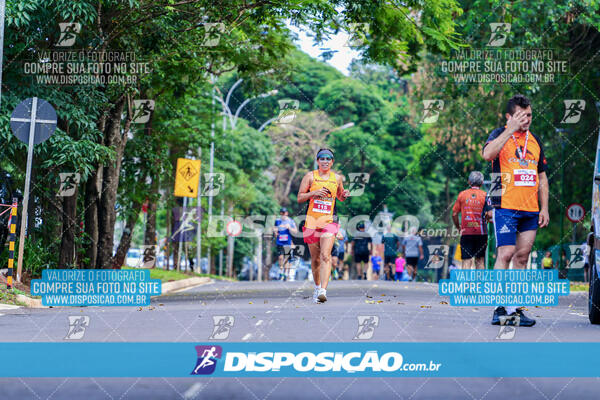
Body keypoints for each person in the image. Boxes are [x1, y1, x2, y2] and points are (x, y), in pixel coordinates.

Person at [482, 94, 549, 327]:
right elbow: (487, 155)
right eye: (522, 116)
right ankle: (499, 308)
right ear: (509, 116)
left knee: (522, 257)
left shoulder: (535, 140)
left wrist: (545, 208)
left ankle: (516, 309)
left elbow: (542, 176)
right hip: (506, 206)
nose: (527, 119)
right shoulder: (497, 135)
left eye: (529, 115)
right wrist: (509, 130)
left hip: (530, 210)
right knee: (506, 254)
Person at [297, 148, 349, 303]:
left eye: (328, 159)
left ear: (332, 161)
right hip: (312, 221)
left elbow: (339, 197)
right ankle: (317, 286)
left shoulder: (337, 178)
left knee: (326, 255)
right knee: (315, 259)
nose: (325, 161)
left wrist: (344, 195)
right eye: (322, 158)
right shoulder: (310, 177)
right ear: (317, 161)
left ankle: (323, 291)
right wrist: (314, 193)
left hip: (330, 221)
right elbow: (300, 197)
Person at [452, 171, 488, 270]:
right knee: (480, 260)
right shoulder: (485, 195)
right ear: (482, 183)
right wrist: (488, 220)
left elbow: (454, 214)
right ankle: (480, 285)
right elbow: (489, 214)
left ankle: (465, 285)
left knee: (466, 260)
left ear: (469, 182)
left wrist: (458, 227)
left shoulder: (462, 195)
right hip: (481, 233)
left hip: (466, 232)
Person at [273, 207, 297, 281]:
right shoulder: (277, 221)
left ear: (287, 213)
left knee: (286, 258)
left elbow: (295, 231)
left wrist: (289, 228)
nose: (283, 214)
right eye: (281, 213)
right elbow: (274, 229)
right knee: (280, 258)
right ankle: (281, 271)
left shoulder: (291, 221)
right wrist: (275, 232)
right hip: (279, 242)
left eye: (284, 213)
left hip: (288, 242)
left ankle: (285, 273)